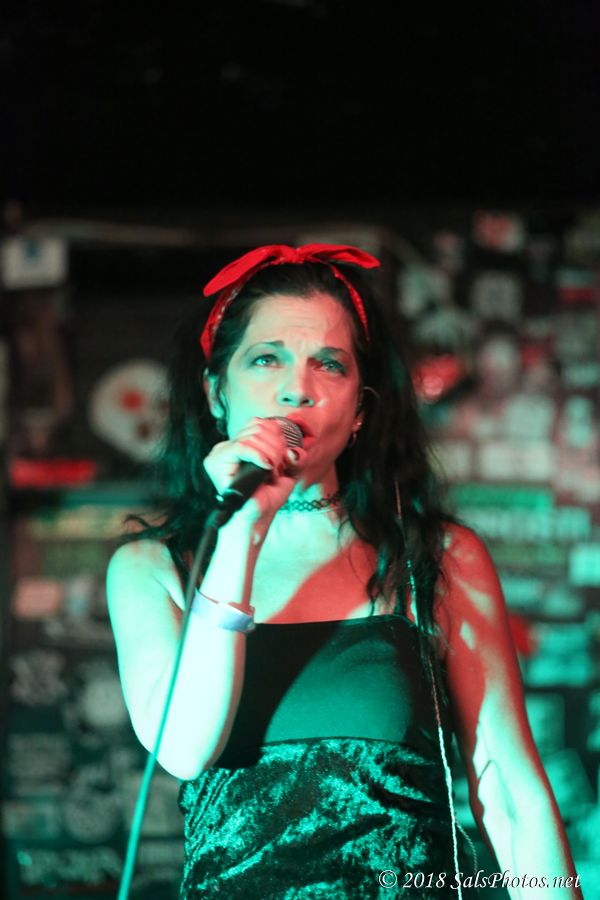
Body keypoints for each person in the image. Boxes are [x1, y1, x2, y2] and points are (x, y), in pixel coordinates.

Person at [106, 244, 582, 899]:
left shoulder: (435, 557)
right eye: (266, 359)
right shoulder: (153, 568)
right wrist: (243, 532)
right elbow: (186, 748)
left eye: (328, 364)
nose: (297, 388)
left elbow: (508, 789)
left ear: (359, 410)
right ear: (217, 392)